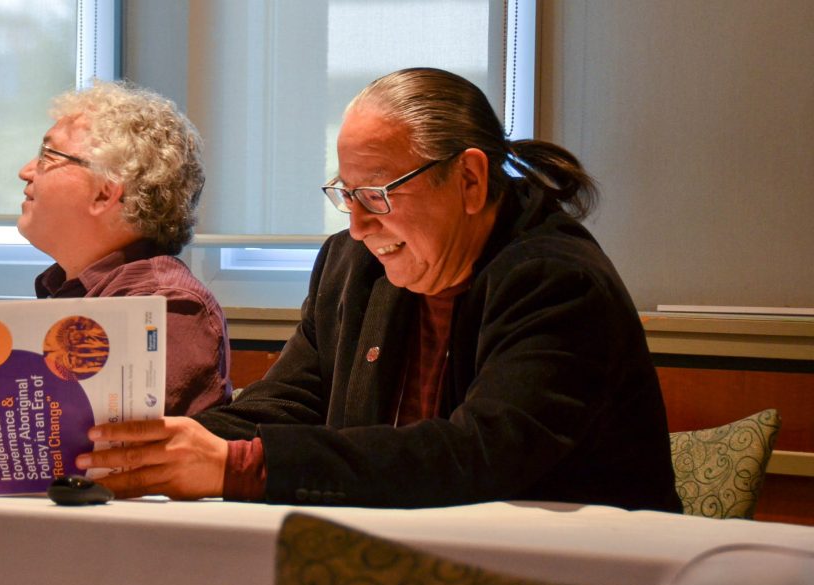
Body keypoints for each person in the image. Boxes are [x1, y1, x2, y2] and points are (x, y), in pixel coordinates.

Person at [75, 68, 682, 512]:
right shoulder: (352, 264)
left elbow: (477, 457)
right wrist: (163, 446)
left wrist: (237, 468)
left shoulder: (555, 281)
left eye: (378, 196)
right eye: (347, 195)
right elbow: (287, 404)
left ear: (469, 179)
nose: (358, 227)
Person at [18, 80, 231, 416]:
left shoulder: (165, 306)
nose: (26, 171)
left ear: (105, 192)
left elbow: (99, 446)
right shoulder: (68, 290)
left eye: (48, 155)